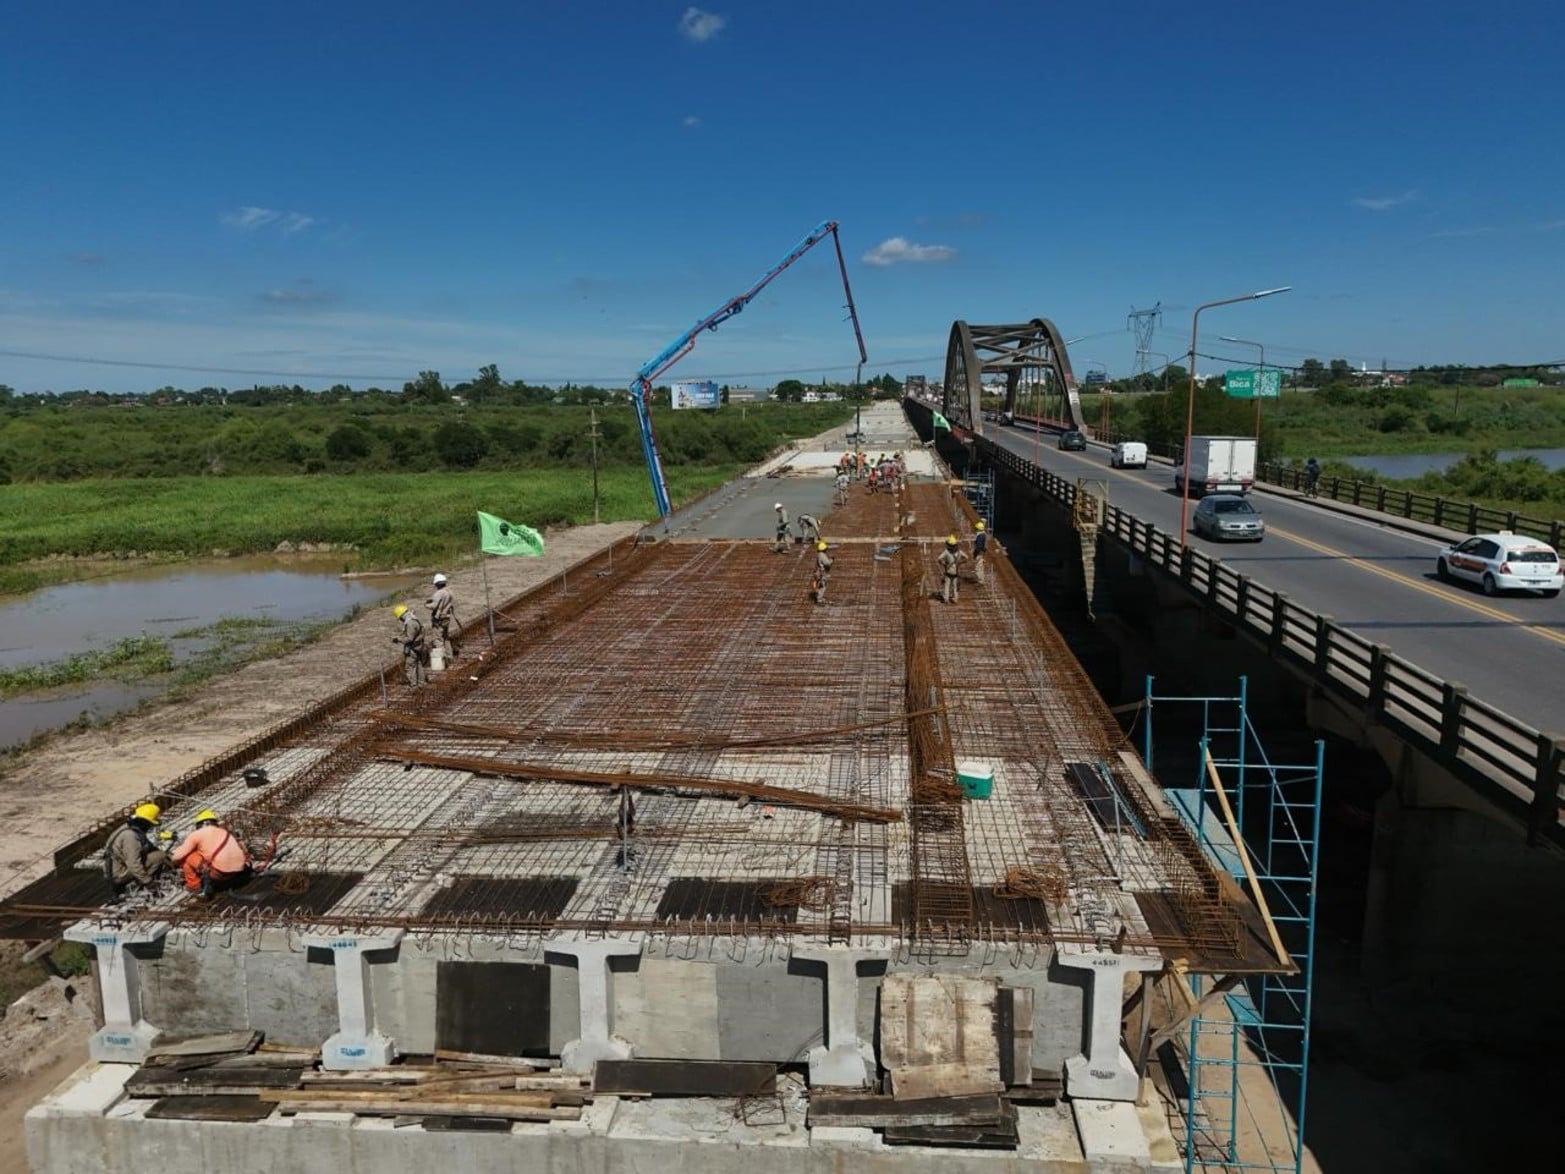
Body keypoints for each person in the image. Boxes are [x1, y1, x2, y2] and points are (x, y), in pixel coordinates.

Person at [169, 810, 252, 899]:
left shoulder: (197, 834)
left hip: (220, 874)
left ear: (199, 824)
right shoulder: (225, 832)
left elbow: (177, 856)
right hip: (239, 870)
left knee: (187, 857)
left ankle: (195, 886)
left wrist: (171, 860)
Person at [103, 803, 171, 896]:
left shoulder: (130, 828)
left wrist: (170, 858)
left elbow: (149, 846)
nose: (150, 827)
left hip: (116, 870)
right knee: (159, 856)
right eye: (150, 824)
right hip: (118, 875)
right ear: (145, 822)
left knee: (160, 854)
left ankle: (140, 880)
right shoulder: (130, 836)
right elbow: (133, 863)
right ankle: (137, 885)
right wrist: (148, 882)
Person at [426, 572, 461, 659]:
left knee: (438, 640)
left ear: (437, 584)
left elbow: (434, 606)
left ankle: (443, 660)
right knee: (445, 637)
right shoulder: (449, 591)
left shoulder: (439, 593)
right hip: (446, 618)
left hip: (439, 619)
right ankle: (450, 656)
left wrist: (426, 605)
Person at [392, 603, 428, 687]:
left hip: (413, 648)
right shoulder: (414, 619)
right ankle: (421, 683)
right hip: (419, 646)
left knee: (410, 666)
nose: (400, 620)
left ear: (402, 615)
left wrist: (398, 639)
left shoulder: (410, 623)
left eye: (400, 618)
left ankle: (414, 685)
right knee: (418, 664)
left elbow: (409, 638)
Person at [938, 535, 968, 604]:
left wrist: (944, 564)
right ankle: (955, 598)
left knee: (947, 586)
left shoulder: (946, 552)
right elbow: (967, 558)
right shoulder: (959, 552)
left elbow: (939, 559)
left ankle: (946, 599)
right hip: (956, 572)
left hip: (948, 571)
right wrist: (960, 562)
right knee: (955, 586)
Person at [812, 540, 834, 605]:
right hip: (821, 573)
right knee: (823, 586)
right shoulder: (822, 555)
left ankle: (819, 597)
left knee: (820, 585)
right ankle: (819, 599)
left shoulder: (819, 554)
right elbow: (827, 563)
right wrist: (832, 560)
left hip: (817, 572)